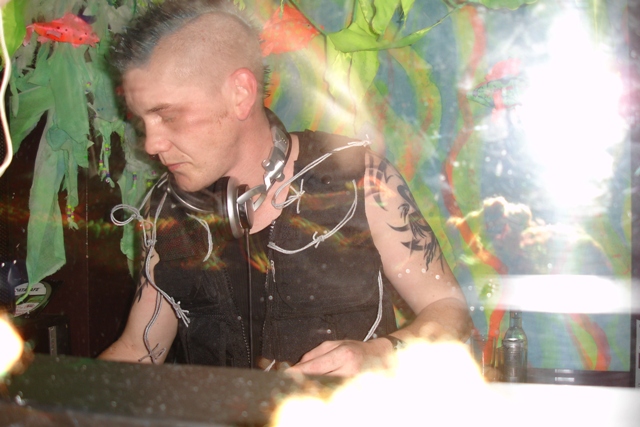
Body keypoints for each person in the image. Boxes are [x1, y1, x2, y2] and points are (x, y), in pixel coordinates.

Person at [99, 0, 471, 376]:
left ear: (240, 94)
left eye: (168, 116)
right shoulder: (167, 206)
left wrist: (379, 354)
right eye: (142, 121)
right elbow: (138, 348)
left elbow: (449, 310)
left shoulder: (359, 178)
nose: (151, 144)